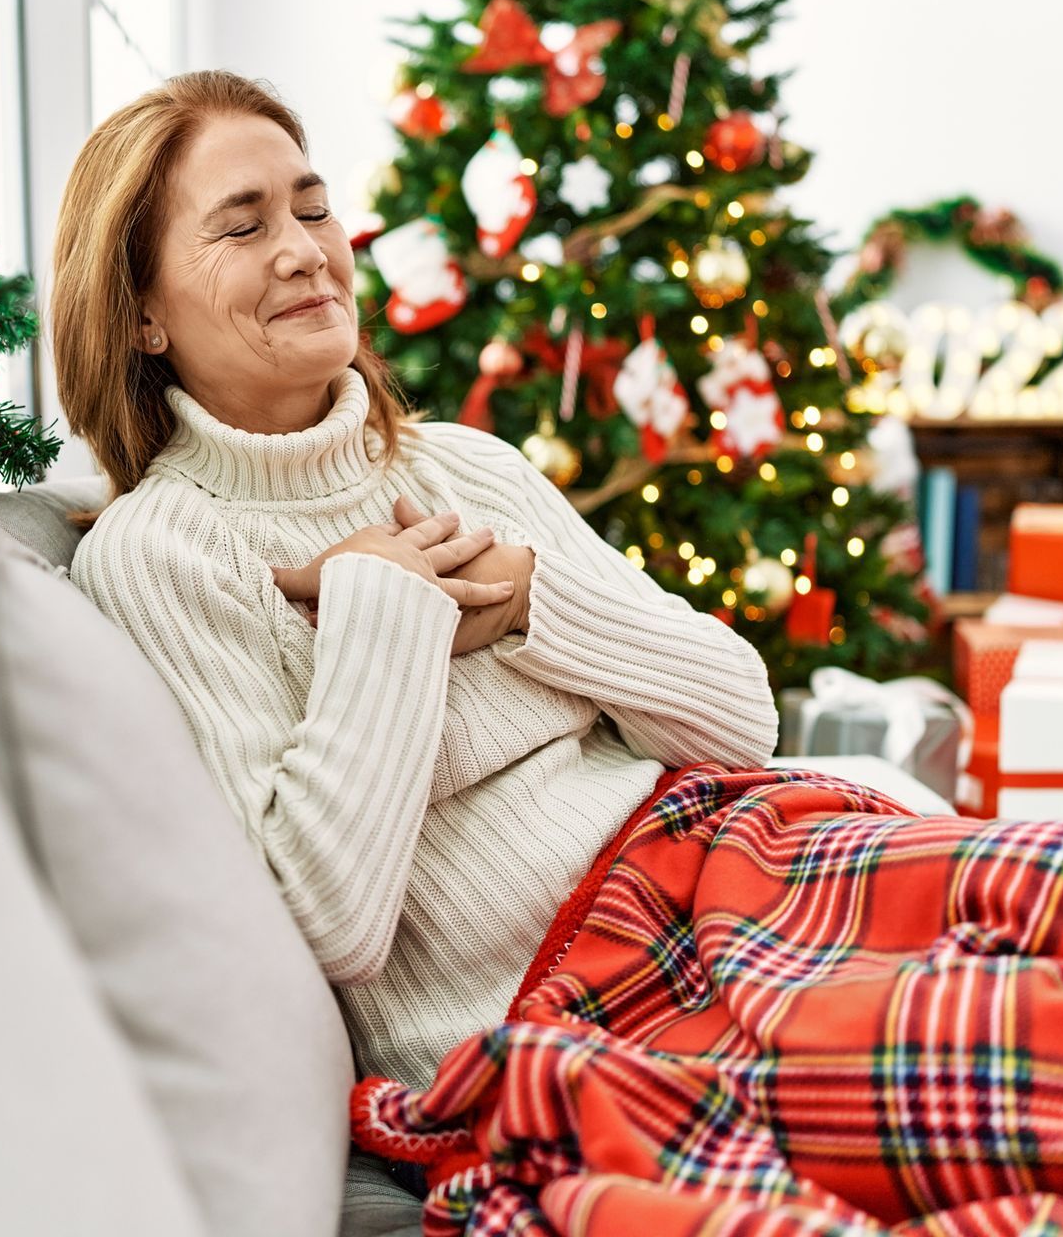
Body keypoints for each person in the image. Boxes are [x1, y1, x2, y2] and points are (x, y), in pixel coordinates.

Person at [50, 69, 778, 1095]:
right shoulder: (159, 553)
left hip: (737, 871)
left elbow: (744, 720)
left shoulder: (465, 464)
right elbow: (323, 921)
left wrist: (536, 604)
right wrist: (384, 610)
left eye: (312, 207)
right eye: (243, 227)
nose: (307, 250)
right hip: (585, 1006)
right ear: (140, 317)